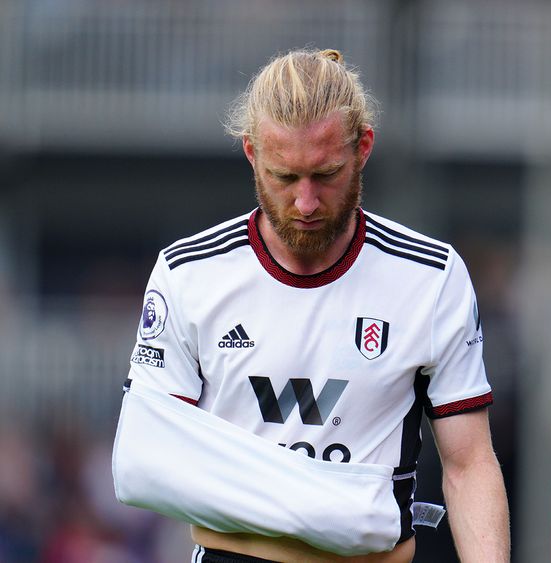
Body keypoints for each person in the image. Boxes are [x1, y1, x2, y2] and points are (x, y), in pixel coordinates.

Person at [113, 48, 510, 563]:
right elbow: (146, 459)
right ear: (251, 153)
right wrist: (330, 507)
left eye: (325, 175)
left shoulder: (431, 277)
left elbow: (468, 462)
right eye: (284, 177)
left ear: (364, 147)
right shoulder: (188, 273)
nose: (305, 203)